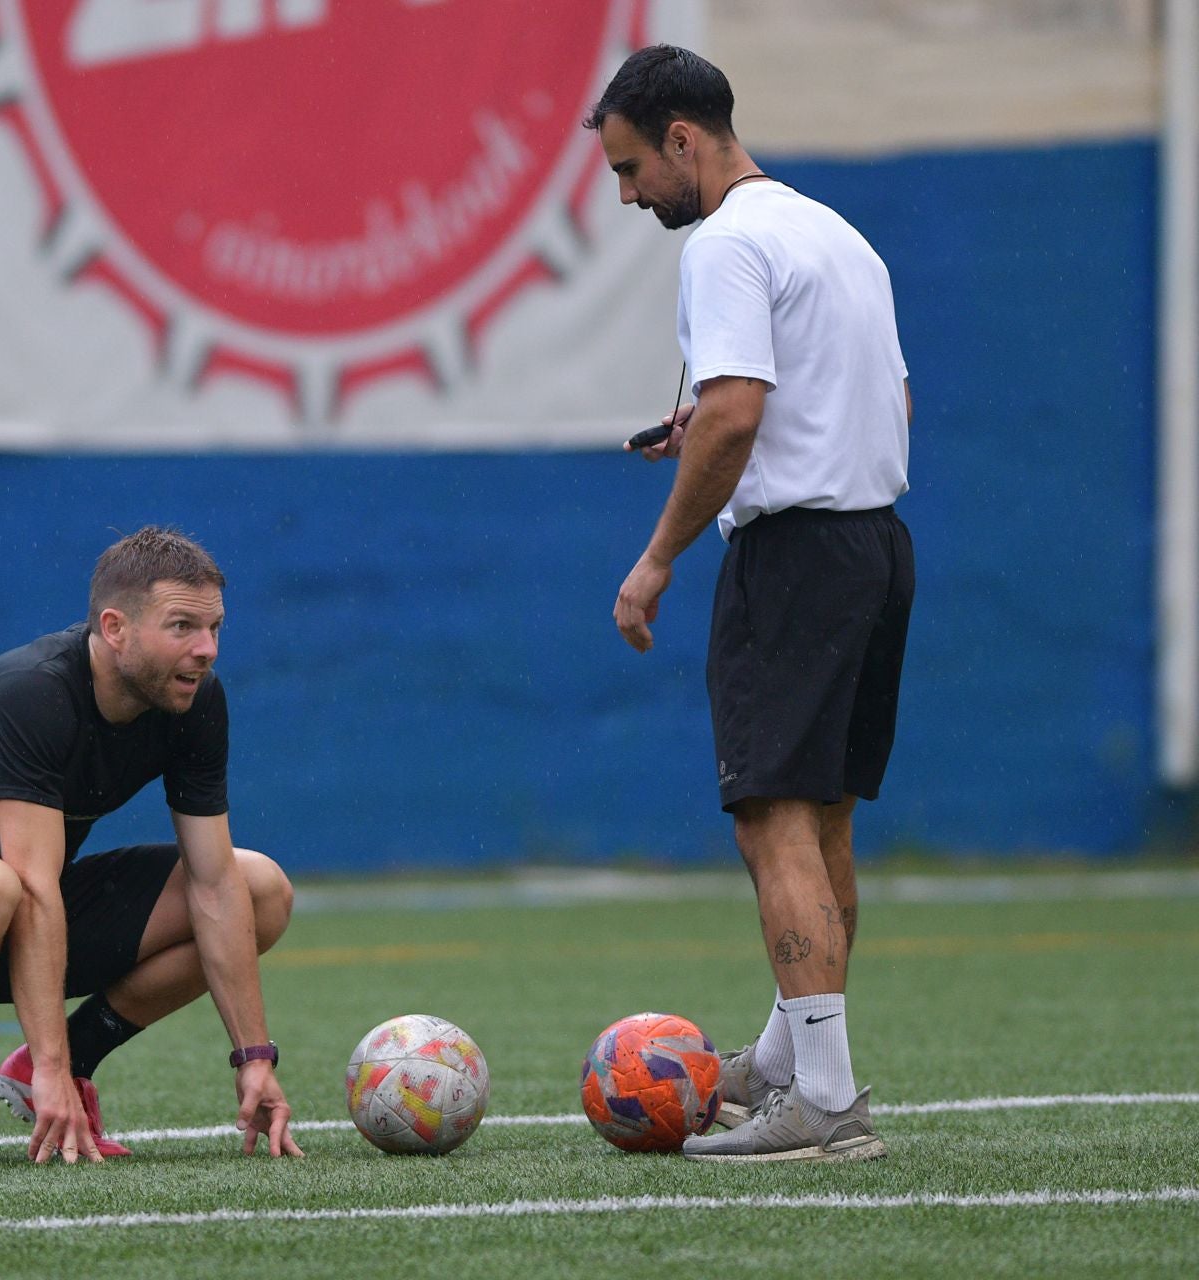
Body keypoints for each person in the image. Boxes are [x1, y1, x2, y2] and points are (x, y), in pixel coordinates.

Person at [585, 45, 913, 1162]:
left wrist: (656, 559)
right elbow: (888, 397)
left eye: (631, 168)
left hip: (797, 556)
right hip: (876, 544)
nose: (628, 195)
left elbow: (733, 414)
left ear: (683, 139)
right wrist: (738, 430)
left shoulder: (723, 242)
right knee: (822, 820)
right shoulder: (837, 233)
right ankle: (784, 1061)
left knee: (771, 816)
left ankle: (824, 1097)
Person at [0, 526, 303, 1165]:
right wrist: (51, 1064)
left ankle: (71, 1058)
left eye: (214, 627)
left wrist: (254, 1057)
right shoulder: (29, 693)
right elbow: (29, 887)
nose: (206, 649)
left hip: (35, 911)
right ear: (115, 629)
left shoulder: (194, 700)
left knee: (261, 890)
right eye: (182, 627)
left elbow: (213, 881)